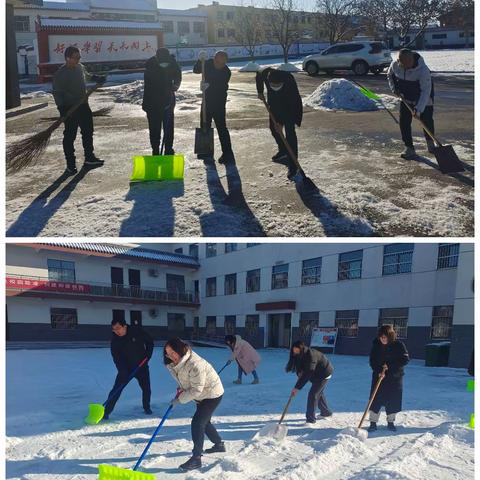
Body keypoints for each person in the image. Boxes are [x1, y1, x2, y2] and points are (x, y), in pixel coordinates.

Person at [165, 337, 225, 471]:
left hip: (211, 394)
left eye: (173, 352)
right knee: (205, 422)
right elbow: (186, 379)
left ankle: (196, 459)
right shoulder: (176, 363)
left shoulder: (195, 363)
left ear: (180, 350)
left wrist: (179, 400)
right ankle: (219, 444)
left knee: (198, 422)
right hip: (201, 394)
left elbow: (197, 389)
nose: (171, 356)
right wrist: (182, 388)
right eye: (168, 353)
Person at [52, 45, 105, 175]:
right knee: (70, 136)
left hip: (83, 105)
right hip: (69, 108)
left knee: (88, 131)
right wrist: (62, 109)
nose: (78, 60)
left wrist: (96, 78)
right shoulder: (61, 74)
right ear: (67, 58)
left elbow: (86, 76)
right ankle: (70, 164)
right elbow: (57, 93)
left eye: (79, 57)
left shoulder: (79, 68)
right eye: (75, 58)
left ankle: (89, 158)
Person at [387, 48, 435, 160]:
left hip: (424, 99)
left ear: (413, 59)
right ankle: (409, 148)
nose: (407, 67)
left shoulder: (423, 70)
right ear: (399, 61)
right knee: (404, 123)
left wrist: (418, 110)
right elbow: (390, 76)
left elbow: (425, 91)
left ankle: (431, 143)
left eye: (409, 63)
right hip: (406, 98)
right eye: (403, 64)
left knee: (426, 120)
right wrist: (395, 89)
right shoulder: (395, 65)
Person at [256, 67, 303, 179]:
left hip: (290, 107)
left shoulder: (289, 81)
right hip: (274, 103)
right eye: (273, 85)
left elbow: (291, 104)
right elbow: (258, 75)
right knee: (273, 129)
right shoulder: (266, 74)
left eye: (277, 86)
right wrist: (260, 91)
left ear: (282, 82)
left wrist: (282, 122)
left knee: (290, 133)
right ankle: (283, 150)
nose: (275, 87)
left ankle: (293, 164)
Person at [104, 318, 154, 420]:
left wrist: (148, 355)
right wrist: (122, 371)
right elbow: (116, 358)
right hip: (126, 369)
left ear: (125, 326)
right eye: (114, 329)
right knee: (116, 390)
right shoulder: (115, 341)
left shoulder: (136, 332)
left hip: (141, 366)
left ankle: (146, 407)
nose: (116, 331)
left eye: (118, 328)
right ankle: (106, 411)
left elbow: (150, 342)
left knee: (146, 389)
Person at [193, 50, 234, 164]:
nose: (221, 65)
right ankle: (206, 151)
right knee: (204, 125)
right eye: (219, 62)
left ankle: (228, 153)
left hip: (219, 103)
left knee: (222, 128)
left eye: (224, 63)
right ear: (215, 59)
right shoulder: (207, 64)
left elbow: (220, 86)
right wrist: (199, 60)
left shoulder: (226, 72)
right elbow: (196, 70)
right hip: (206, 101)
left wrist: (208, 86)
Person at [368, 324, 409, 432]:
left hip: (394, 378)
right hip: (379, 377)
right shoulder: (376, 344)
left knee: (392, 400)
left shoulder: (399, 345)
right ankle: (373, 423)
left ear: (390, 336)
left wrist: (390, 366)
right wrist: (378, 371)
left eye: (385, 337)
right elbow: (372, 360)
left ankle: (390, 422)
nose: (383, 339)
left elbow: (405, 360)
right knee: (375, 400)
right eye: (381, 337)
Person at [142, 48, 182, 155]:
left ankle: (168, 148)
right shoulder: (150, 66)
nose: (164, 65)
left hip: (167, 101)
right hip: (152, 102)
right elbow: (151, 86)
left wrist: (176, 85)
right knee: (154, 128)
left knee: (168, 126)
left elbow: (178, 75)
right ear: (157, 58)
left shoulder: (172, 62)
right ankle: (155, 149)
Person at [286, 340, 333, 425]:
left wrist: (297, 388)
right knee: (318, 393)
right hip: (315, 374)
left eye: (297, 351)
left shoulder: (311, 356)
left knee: (313, 394)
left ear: (301, 349)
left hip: (324, 373)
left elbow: (308, 372)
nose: (295, 353)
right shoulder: (299, 354)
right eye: (294, 351)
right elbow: (300, 368)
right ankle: (326, 412)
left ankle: (310, 420)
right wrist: (299, 374)